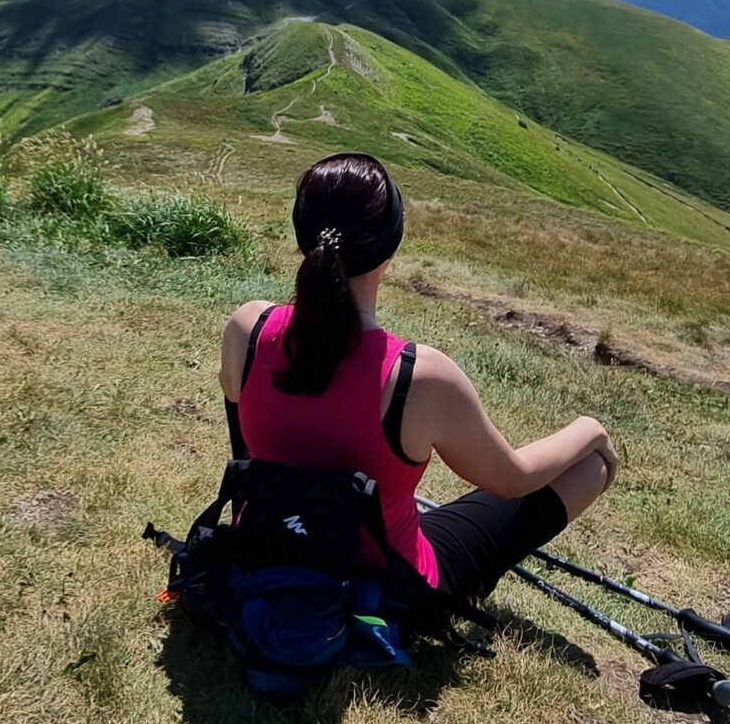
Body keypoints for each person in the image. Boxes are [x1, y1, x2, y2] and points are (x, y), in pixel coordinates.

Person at [218, 151, 619, 608]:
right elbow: (512, 479)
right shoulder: (417, 377)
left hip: (270, 541)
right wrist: (591, 429)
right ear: (390, 247)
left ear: (302, 236)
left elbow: (243, 421)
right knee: (592, 466)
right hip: (387, 583)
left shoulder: (247, 328)